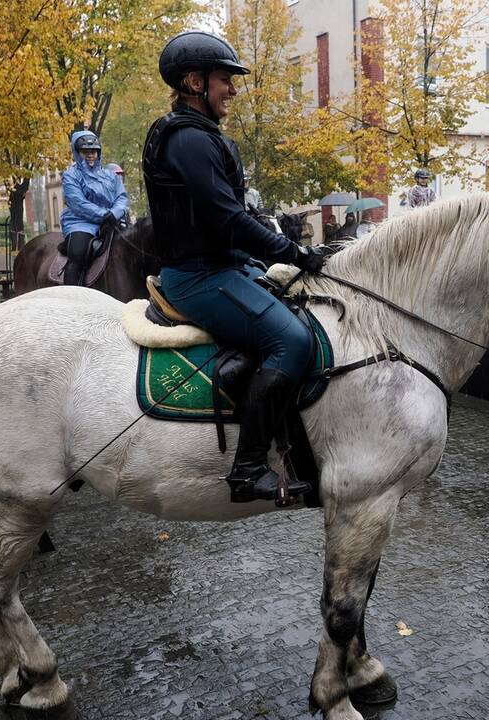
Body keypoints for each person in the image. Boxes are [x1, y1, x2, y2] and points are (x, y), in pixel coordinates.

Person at [141, 31, 328, 504]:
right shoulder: (187, 141)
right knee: (292, 340)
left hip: (224, 267)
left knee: (300, 310)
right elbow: (228, 217)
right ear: (193, 82)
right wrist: (294, 252)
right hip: (199, 278)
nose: (234, 89)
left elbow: (231, 222)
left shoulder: (204, 137)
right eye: (225, 79)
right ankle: (247, 471)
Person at [59, 131, 129, 286]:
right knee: (78, 252)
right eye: (85, 152)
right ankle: (71, 294)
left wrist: (114, 214)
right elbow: (77, 203)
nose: (91, 155)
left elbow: (122, 197)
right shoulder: (70, 175)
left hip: (111, 220)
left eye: (94, 151)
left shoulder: (110, 175)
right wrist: (105, 215)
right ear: (77, 153)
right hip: (80, 222)